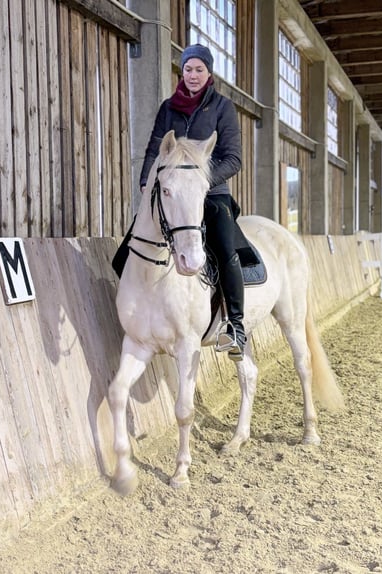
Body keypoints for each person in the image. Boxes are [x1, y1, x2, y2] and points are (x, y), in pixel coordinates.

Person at [139, 44, 246, 360]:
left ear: (209, 73)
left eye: (199, 69)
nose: (193, 75)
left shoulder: (223, 107)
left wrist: (198, 181)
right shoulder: (168, 108)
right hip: (171, 195)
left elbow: (233, 158)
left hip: (211, 194)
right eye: (188, 69)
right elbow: (153, 151)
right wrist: (147, 181)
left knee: (226, 250)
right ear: (181, 72)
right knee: (132, 247)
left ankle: (235, 328)